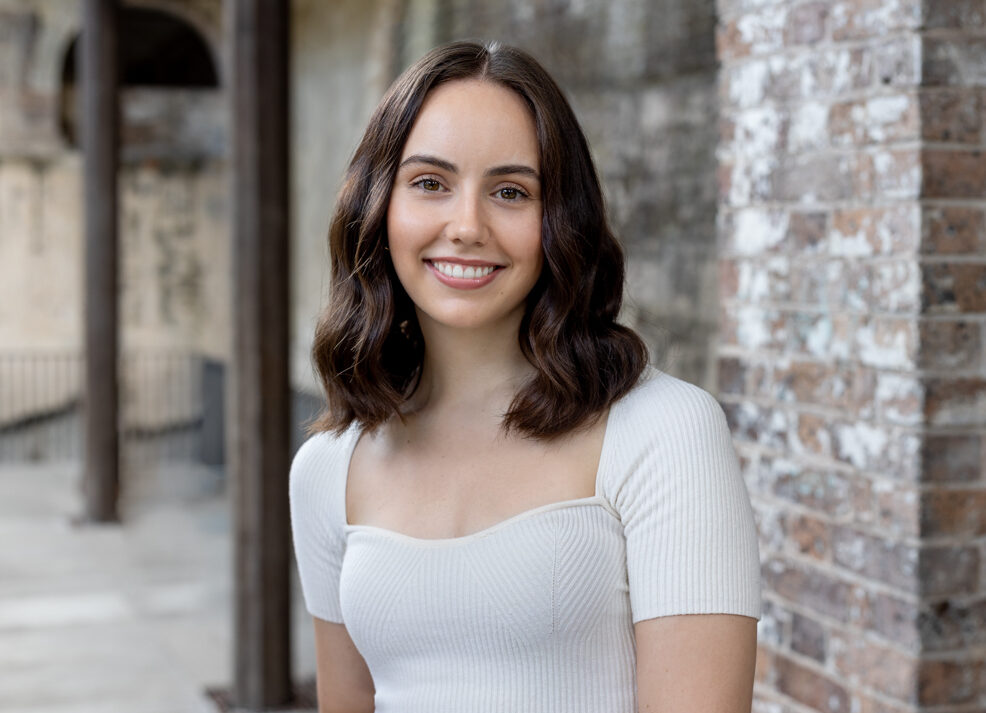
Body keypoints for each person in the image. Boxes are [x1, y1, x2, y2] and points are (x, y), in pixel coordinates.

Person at [289, 40, 761, 713]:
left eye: (511, 191)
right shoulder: (325, 470)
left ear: (561, 219)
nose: (466, 225)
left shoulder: (664, 432)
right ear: (378, 207)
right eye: (430, 183)